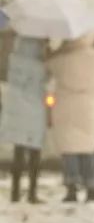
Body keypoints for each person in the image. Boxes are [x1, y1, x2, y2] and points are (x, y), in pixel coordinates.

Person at [47, 34, 94, 203]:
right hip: (87, 108)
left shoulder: (62, 58)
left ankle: (72, 188)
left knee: (70, 149)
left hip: (66, 108)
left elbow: (48, 66)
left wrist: (58, 50)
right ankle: (92, 188)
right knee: (88, 149)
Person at [0, 35, 48, 203]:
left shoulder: (13, 60)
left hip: (18, 112)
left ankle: (15, 192)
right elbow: (43, 86)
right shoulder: (40, 65)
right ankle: (31, 193)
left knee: (18, 153)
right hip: (34, 113)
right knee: (34, 154)